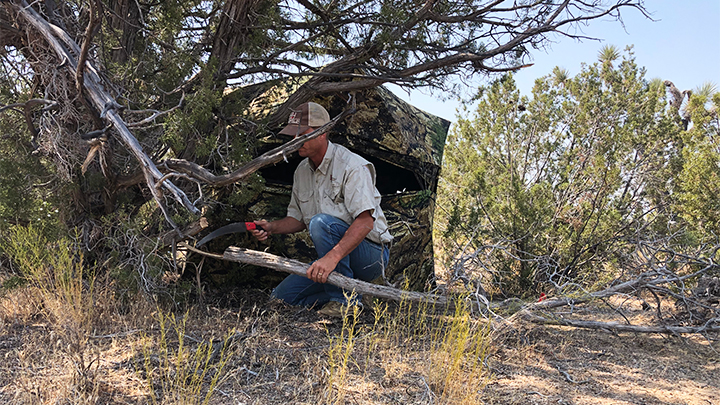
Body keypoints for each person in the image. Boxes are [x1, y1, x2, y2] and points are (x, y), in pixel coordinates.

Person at [250, 101, 393, 317]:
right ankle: (358, 294)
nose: (295, 140)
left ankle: (344, 302)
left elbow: (365, 222)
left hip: (371, 255)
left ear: (322, 132)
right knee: (281, 298)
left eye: (302, 133)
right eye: (293, 134)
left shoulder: (352, 166)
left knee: (321, 223)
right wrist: (270, 227)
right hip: (335, 257)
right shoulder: (301, 171)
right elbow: (298, 219)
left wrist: (331, 258)